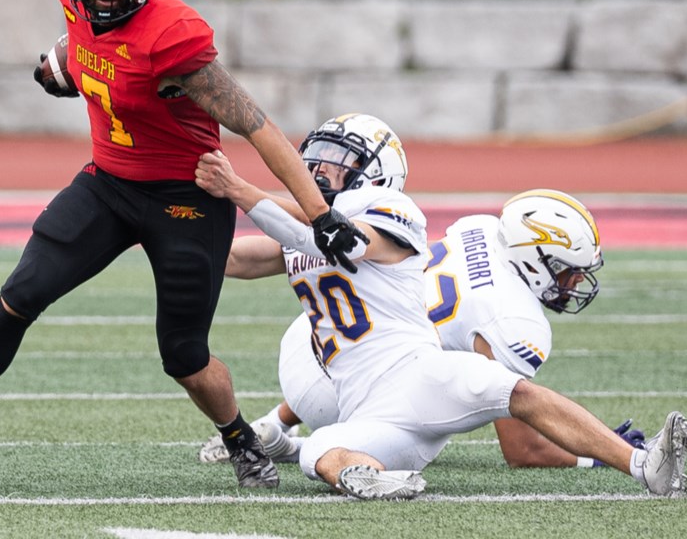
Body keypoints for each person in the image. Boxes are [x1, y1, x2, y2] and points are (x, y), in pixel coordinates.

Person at [0, 0, 366, 490]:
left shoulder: (174, 35)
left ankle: (242, 441)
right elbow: (88, 49)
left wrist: (320, 212)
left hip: (186, 196)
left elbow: (256, 125)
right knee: (16, 297)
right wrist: (69, 70)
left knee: (183, 355)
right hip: (108, 185)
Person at [193, 112, 687, 499]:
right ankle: (366, 478)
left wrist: (239, 190)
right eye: (317, 155)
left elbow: (342, 240)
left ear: (375, 174)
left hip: (416, 371)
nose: (318, 167)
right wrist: (161, 238)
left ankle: (644, 466)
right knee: (321, 454)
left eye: (337, 159)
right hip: (357, 398)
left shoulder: (395, 211)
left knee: (511, 389)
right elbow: (237, 257)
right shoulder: (301, 233)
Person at [199, 191, 647, 469]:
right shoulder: (513, 321)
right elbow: (524, 452)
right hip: (345, 397)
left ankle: (271, 427)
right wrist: (594, 454)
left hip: (307, 341)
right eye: (567, 272)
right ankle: (315, 446)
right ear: (533, 260)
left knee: (383, 328)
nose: (572, 284)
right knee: (432, 386)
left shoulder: (481, 230)